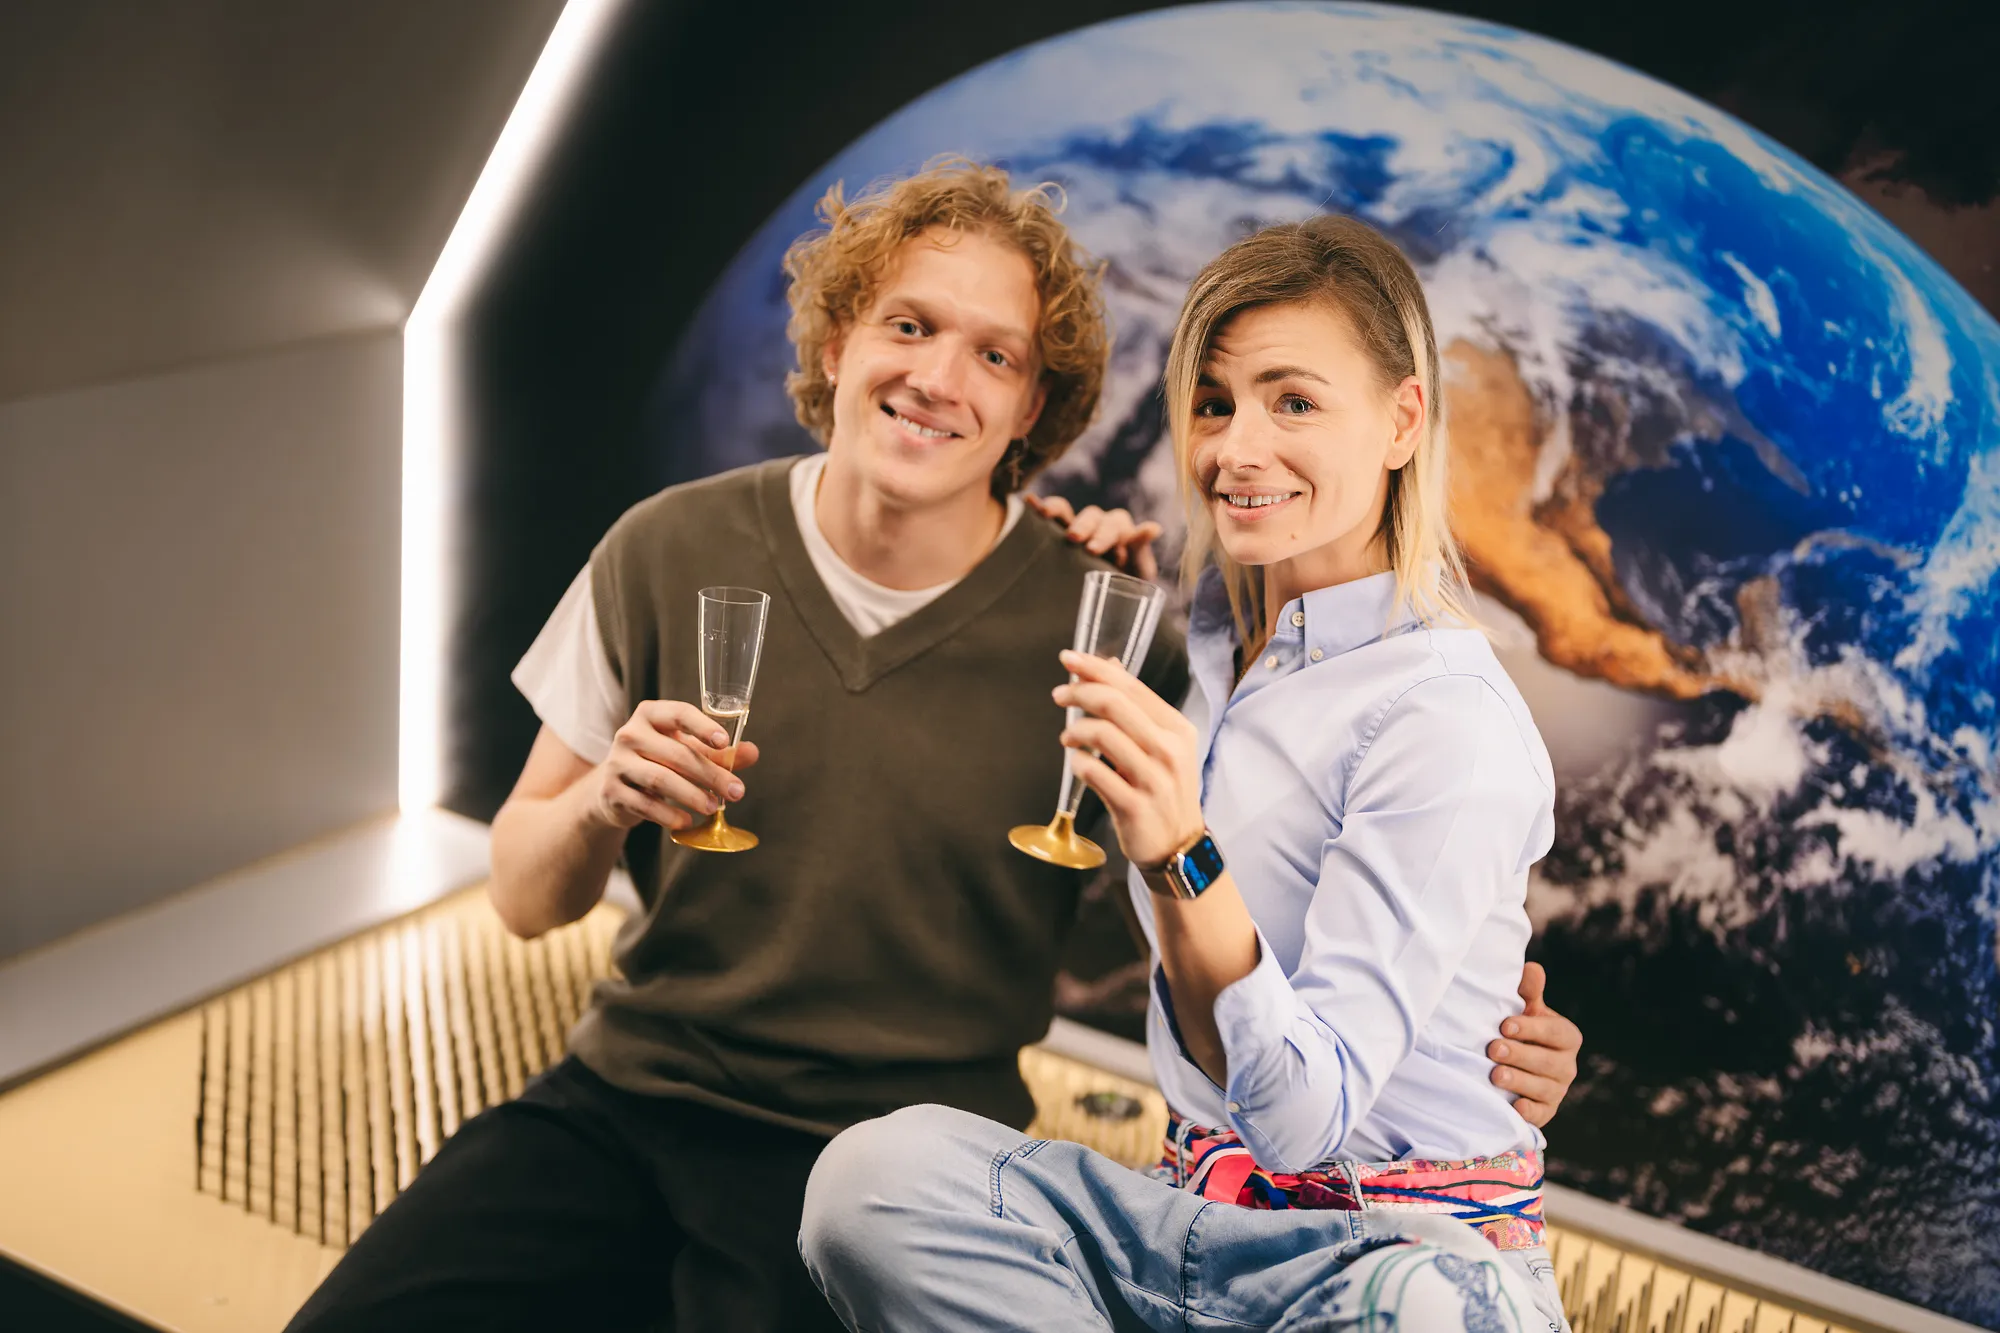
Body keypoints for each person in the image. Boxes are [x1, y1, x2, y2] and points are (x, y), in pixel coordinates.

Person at [288, 164, 1580, 1333]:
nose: (939, 380)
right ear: (837, 340)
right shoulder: (665, 547)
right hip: (619, 1101)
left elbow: (1257, 921)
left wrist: (1482, 1042)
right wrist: (597, 806)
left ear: (1032, 406)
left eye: (994, 355)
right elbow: (525, 896)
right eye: (908, 326)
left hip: (877, 1142)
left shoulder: (1112, 635)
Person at [799, 213, 1576, 1332]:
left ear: (1403, 419)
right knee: (877, 1180)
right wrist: (1039, 569)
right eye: (1213, 403)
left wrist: (1180, 852)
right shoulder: (1209, 655)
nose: (1236, 449)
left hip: (1391, 1256)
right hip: (1190, 1228)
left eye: (1293, 401)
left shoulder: (1445, 716)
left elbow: (1302, 1124)